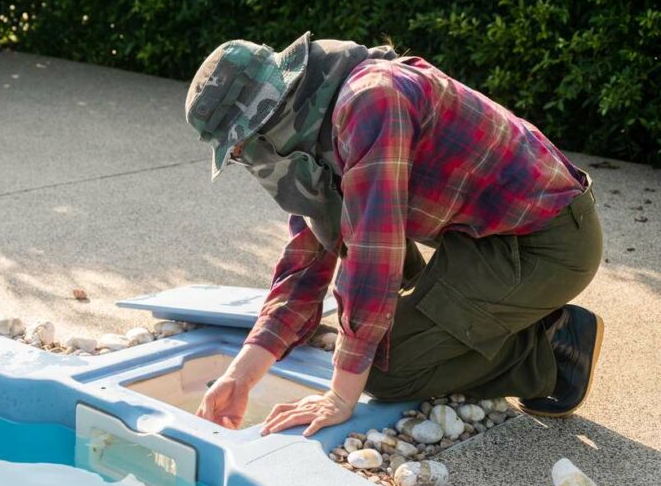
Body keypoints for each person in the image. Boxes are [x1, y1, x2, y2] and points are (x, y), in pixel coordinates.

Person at [184, 32, 604, 436]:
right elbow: (306, 264)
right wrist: (240, 375)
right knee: (367, 298)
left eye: (238, 150)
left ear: (263, 123)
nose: (245, 160)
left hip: (546, 242)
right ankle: (490, 316)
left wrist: (339, 395)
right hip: (484, 238)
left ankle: (551, 347)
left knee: (385, 369)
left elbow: (373, 254)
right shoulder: (316, 117)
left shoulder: (369, 101)